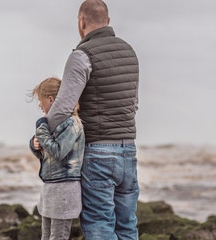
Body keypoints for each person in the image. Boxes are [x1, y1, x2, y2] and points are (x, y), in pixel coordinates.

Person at [46, 0, 140, 239]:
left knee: (99, 224)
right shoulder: (129, 51)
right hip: (128, 150)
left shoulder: (82, 55)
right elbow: (134, 105)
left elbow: (61, 110)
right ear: (108, 21)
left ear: (81, 22)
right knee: (128, 226)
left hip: (98, 153)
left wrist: (45, 136)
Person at [29, 77, 85, 240]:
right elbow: (47, 154)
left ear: (51, 99)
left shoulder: (72, 123)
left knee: (58, 236)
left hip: (65, 190)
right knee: (46, 236)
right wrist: (35, 145)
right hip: (50, 189)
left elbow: (59, 152)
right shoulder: (51, 123)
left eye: (40, 100)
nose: (39, 104)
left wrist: (41, 129)